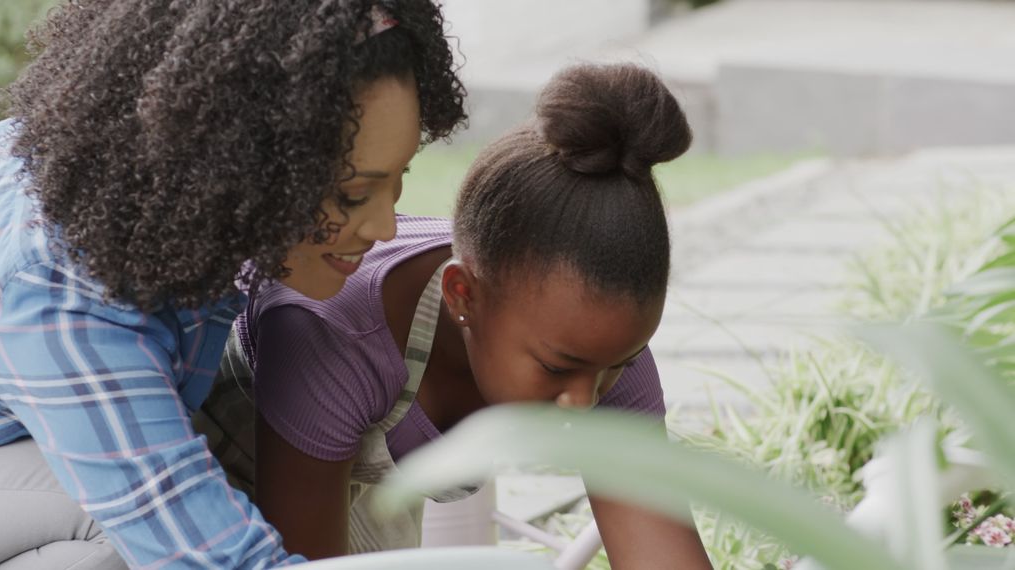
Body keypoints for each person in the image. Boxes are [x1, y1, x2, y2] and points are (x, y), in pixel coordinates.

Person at [0, 1, 465, 568]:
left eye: (398, 177)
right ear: (234, 158)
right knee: (115, 543)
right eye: (354, 193)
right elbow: (215, 557)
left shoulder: (130, 171)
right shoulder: (62, 300)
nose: (385, 228)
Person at [198, 62, 714, 568]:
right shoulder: (332, 334)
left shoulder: (591, 343)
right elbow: (307, 565)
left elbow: (661, 555)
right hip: (209, 500)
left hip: (359, 500)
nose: (583, 402)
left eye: (620, 363)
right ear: (463, 294)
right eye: (557, 369)